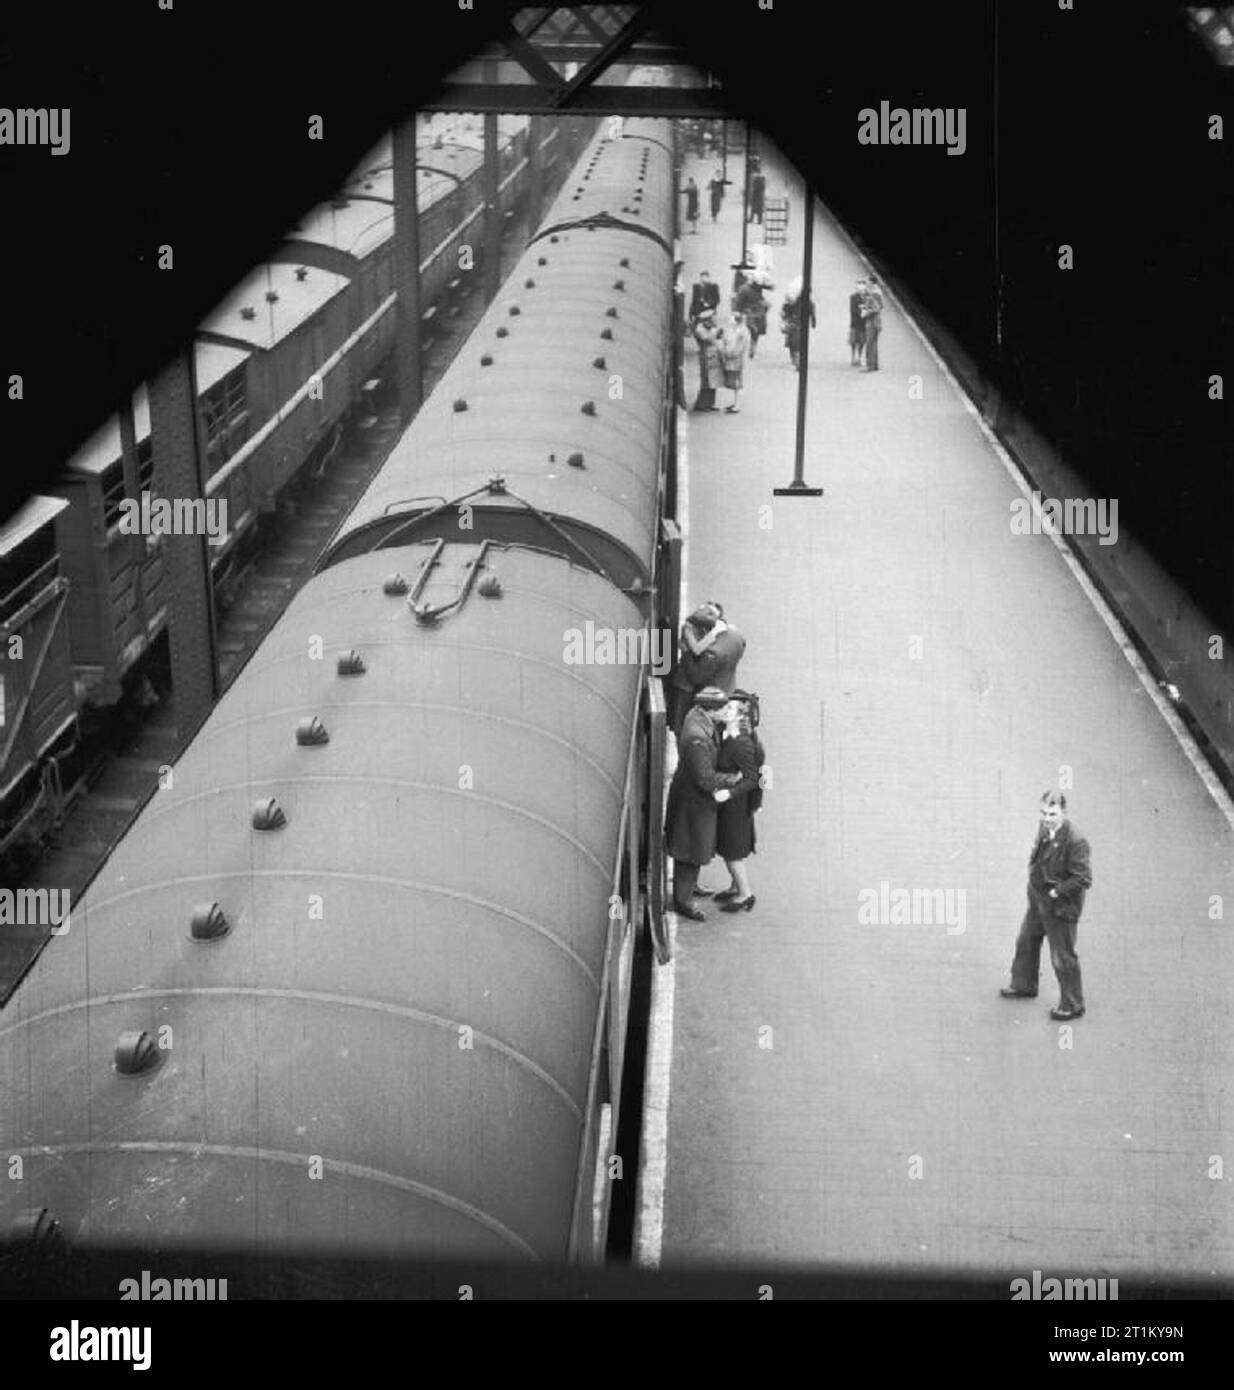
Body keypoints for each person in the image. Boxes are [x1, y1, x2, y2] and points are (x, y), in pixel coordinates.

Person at [1000, 792, 1092, 1020]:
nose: (1047, 818)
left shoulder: (1076, 840)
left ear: (1064, 812)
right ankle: (1023, 984)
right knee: (1026, 940)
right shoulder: (1044, 828)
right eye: (1044, 813)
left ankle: (1073, 1004)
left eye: (1052, 814)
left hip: (1060, 907)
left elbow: (1083, 879)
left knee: (1062, 955)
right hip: (1038, 899)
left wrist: (1056, 891)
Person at [666, 688, 743, 919]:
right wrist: (733, 779)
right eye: (723, 708)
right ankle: (683, 900)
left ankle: (689, 888)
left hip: (692, 800)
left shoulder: (698, 719)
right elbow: (705, 778)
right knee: (690, 850)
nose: (727, 711)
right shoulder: (697, 739)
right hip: (694, 803)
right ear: (709, 710)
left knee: (694, 847)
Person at [709, 692, 764, 912]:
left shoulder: (741, 743)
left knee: (733, 853)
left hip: (735, 806)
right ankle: (735, 887)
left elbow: (752, 778)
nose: (724, 711)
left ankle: (745, 894)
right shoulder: (728, 734)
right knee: (731, 848)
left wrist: (729, 794)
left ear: (741, 717)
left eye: (729, 709)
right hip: (731, 804)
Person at [692, 311, 722, 412]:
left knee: (713, 379)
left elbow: (717, 337)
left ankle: (710, 403)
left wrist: (718, 333)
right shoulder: (700, 329)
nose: (714, 320)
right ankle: (701, 404)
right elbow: (708, 339)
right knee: (706, 380)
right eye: (712, 318)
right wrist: (714, 331)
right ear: (707, 320)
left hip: (713, 355)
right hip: (705, 355)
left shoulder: (709, 327)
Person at [720, 313, 750, 412]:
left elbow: (738, 348)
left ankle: (737, 405)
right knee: (735, 384)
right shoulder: (737, 330)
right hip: (734, 360)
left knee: (738, 384)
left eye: (731, 319)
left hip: (737, 361)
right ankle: (735, 403)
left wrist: (728, 354)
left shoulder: (742, 332)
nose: (729, 322)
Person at [734, 276, 768, 357]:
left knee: (756, 332)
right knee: (751, 330)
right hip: (748, 312)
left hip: (758, 312)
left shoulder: (758, 287)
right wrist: (737, 312)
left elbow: (760, 297)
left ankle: (752, 347)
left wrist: (764, 304)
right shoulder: (744, 289)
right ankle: (743, 347)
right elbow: (738, 302)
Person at [861, 275, 884, 371]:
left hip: (872, 321)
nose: (866, 283)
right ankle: (875, 365)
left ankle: (869, 365)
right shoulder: (876, 292)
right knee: (874, 343)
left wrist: (866, 312)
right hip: (876, 321)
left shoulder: (875, 293)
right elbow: (879, 306)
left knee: (870, 343)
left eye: (867, 281)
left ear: (871, 282)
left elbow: (876, 308)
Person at [848, 277, 868, 366]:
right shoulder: (853, 297)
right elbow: (853, 309)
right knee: (853, 341)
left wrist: (865, 310)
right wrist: (862, 311)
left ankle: (859, 358)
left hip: (864, 324)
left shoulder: (868, 297)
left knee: (862, 342)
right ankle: (853, 357)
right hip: (855, 323)